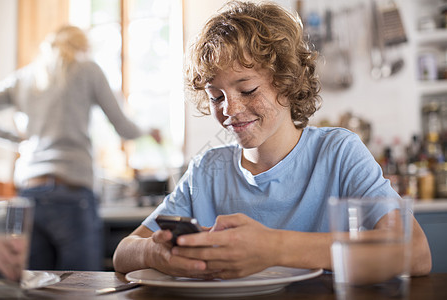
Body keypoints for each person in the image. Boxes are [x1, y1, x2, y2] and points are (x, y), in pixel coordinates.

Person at [112, 1, 431, 279]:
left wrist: (275, 247)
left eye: (247, 90)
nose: (230, 110)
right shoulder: (208, 169)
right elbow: (124, 253)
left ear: (287, 81)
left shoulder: (338, 152)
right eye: (215, 96)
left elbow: (415, 253)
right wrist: (156, 254)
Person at [0, 25, 160, 271]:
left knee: (36, 287)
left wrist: (22, 141)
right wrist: (149, 131)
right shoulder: (88, 69)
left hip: (30, 193)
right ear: (83, 47)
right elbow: (123, 127)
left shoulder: (24, 77)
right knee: (82, 285)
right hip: (71, 193)